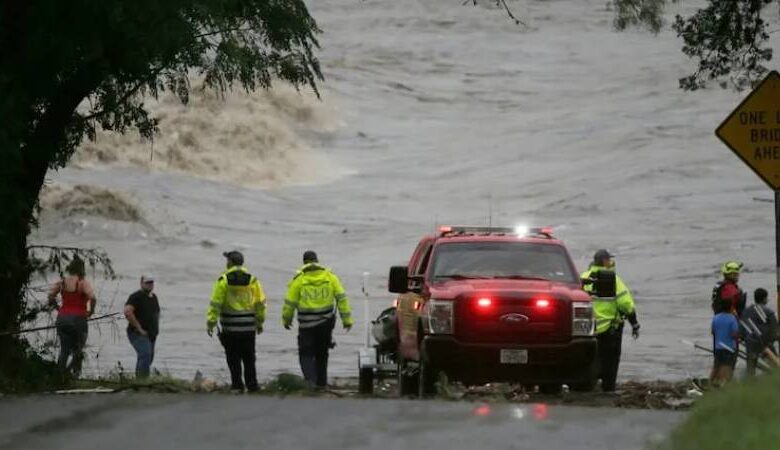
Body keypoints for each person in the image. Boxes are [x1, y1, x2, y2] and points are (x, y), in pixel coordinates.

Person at [283, 250, 353, 389]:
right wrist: (347, 320)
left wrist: (287, 320)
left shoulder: (299, 280)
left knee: (306, 353)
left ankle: (311, 382)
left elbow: (290, 303)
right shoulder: (330, 277)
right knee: (322, 354)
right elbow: (341, 298)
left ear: (304, 262)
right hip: (325, 324)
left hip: (306, 325)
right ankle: (321, 384)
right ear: (317, 261)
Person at [580, 249, 639, 392]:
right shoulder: (614, 280)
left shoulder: (582, 277)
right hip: (609, 330)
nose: (611, 262)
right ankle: (608, 389)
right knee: (610, 363)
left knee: (585, 361)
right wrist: (634, 323)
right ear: (605, 262)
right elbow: (626, 304)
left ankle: (583, 386)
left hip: (585, 330)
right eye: (609, 260)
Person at [207, 251, 266, 392]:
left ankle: (237, 385)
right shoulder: (253, 280)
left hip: (230, 327)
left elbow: (216, 303)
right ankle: (252, 385)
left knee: (233, 357)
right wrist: (259, 322)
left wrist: (211, 322)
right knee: (249, 357)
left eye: (227, 260)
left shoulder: (223, 280)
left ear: (230, 263)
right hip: (248, 327)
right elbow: (260, 303)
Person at [47, 257, 96, 377]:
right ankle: (74, 375)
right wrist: (91, 311)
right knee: (78, 350)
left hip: (62, 318)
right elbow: (93, 298)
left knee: (64, 350)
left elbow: (50, 296)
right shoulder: (82, 283)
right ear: (82, 269)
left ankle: (60, 376)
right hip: (79, 320)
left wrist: (58, 308)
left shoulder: (62, 282)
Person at [124, 274, 160, 378]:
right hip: (137, 333)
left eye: (151, 282)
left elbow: (157, 313)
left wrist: (156, 329)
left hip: (151, 334)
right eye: (147, 282)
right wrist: (139, 328)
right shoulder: (136, 297)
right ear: (141, 283)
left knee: (148, 358)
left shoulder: (154, 297)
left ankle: (139, 379)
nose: (149, 284)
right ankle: (143, 381)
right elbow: (128, 312)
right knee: (145, 354)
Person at [740, 288, 778, 376]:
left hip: (751, 343)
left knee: (751, 367)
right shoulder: (769, 312)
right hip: (764, 343)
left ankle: (750, 382)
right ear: (764, 299)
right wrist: (773, 340)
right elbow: (775, 331)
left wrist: (744, 338)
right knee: (776, 363)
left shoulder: (746, 311)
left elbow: (742, 328)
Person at [711, 305, 739, 387]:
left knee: (716, 366)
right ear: (730, 308)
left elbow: (713, 332)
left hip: (718, 347)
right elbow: (734, 334)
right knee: (726, 366)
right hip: (729, 347)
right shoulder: (732, 318)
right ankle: (722, 385)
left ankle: (711, 383)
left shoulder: (716, 317)